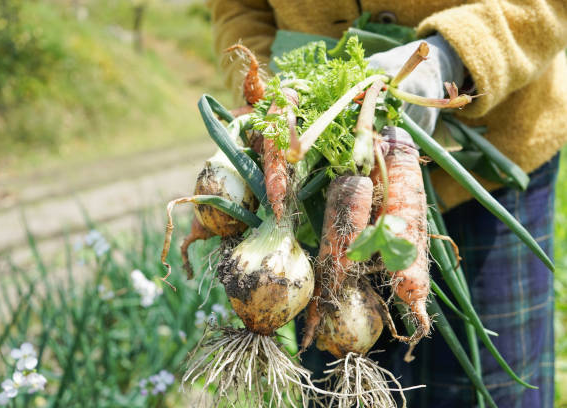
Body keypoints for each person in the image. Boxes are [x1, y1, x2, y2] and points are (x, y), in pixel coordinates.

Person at [209, 1, 567, 407]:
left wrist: (452, 57)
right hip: (312, 191)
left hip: (488, 171)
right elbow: (237, 8)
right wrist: (275, 95)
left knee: (485, 389)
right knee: (333, 371)